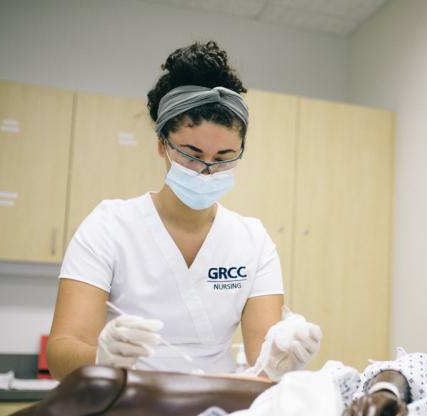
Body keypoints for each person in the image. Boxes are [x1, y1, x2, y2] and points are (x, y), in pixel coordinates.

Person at [47, 41, 321, 380]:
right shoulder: (109, 227)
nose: (206, 170)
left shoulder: (252, 240)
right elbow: (60, 353)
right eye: (191, 154)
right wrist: (100, 357)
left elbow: (259, 359)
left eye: (223, 159)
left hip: (213, 411)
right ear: (162, 144)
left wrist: (280, 357)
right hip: (122, 407)